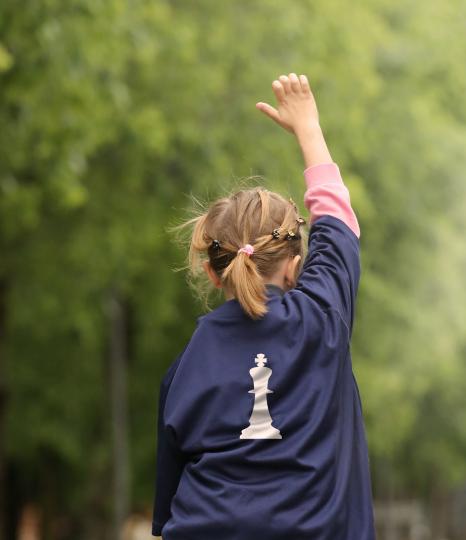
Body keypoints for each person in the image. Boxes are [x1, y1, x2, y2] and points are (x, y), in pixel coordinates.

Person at [151, 72, 373, 539]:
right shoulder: (322, 322)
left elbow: (168, 510)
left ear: (214, 272)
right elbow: (336, 221)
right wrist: (308, 128)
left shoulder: (183, 369)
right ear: (295, 268)